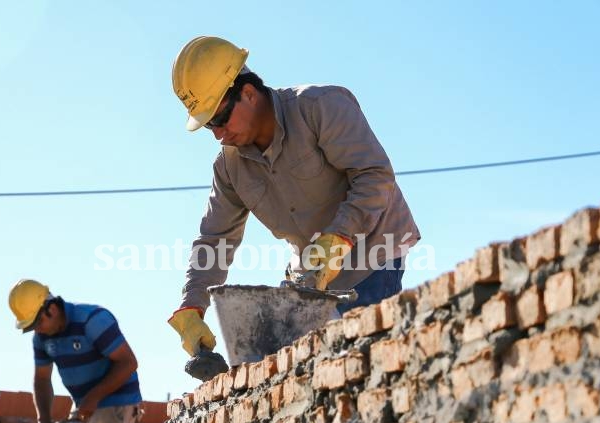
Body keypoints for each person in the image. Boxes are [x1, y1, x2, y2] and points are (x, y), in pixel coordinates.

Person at [167, 36, 421, 358]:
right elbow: (215, 239)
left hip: (373, 250)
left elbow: (374, 175)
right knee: (294, 366)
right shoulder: (229, 167)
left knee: (355, 356)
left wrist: (340, 236)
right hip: (311, 274)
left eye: (219, 119)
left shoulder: (320, 107)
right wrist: (192, 304)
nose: (218, 134)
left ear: (247, 93)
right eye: (208, 126)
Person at [8, 279, 142, 423]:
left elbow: (128, 363)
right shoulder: (42, 339)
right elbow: (42, 380)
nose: (38, 330)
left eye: (38, 323)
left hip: (116, 401)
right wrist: (43, 419)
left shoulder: (93, 320)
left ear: (51, 309)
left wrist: (93, 398)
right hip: (83, 404)